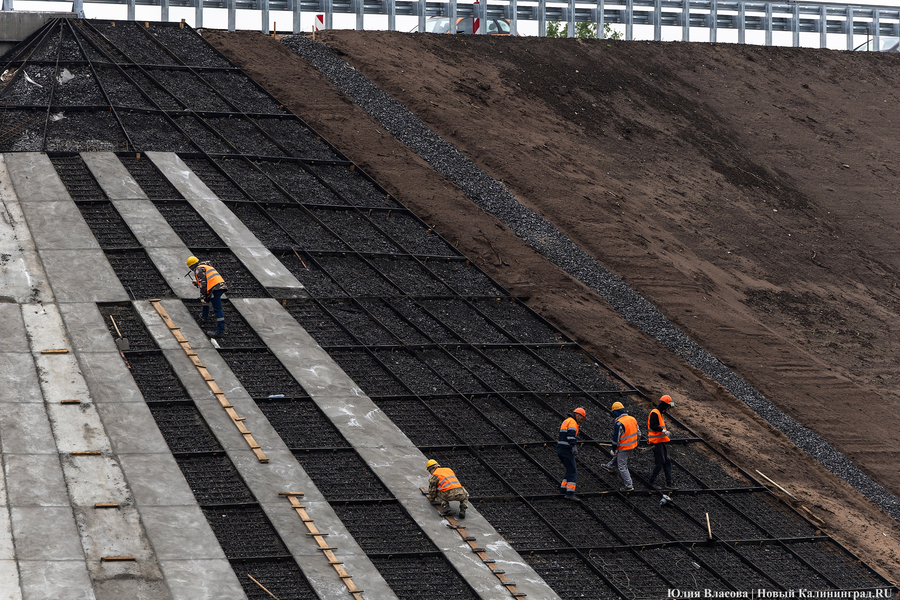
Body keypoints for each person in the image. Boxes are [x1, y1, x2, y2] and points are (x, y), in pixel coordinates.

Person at [187, 256, 228, 338]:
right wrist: (198, 284)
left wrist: (203, 296)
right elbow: (207, 280)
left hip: (214, 288)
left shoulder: (198, 269)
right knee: (206, 298)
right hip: (219, 286)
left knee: (217, 308)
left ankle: (220, 331)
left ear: (191, 266)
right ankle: (204, 316)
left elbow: (203, 285)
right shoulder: (206, 266)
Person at [603, 401, 639, 492]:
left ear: (616, 412)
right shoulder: (632, 419)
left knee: (622, 466)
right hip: (632, 445)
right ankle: (610, 466)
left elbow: (616, 438)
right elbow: (639, 433)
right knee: (619, 457)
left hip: (624, 447)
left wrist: (613, 449)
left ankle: (629, 486)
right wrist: (636, 444)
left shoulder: (619, 423)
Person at [648, 395, 678, 490]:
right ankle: (651, 482)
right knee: (660, 462)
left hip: (660, 441)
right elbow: (653, 425)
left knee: (667, 460)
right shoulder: (655, 413)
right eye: (668, 407)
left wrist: (663, 431)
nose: (668, 409)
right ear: (665, 405)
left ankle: (669, 483)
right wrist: (663, 431)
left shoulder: (660, 413)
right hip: (655, 441)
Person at [557, 407, 587, 500]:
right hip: (567, 449)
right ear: (578, 415)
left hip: (560, 448)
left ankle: (563, 489)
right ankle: (570, 493)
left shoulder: (566, 421)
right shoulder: (572, 422)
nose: (581, 421)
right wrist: (573, 446)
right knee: (573, 471)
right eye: (581, 418)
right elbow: (571, 435)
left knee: (569, 469)